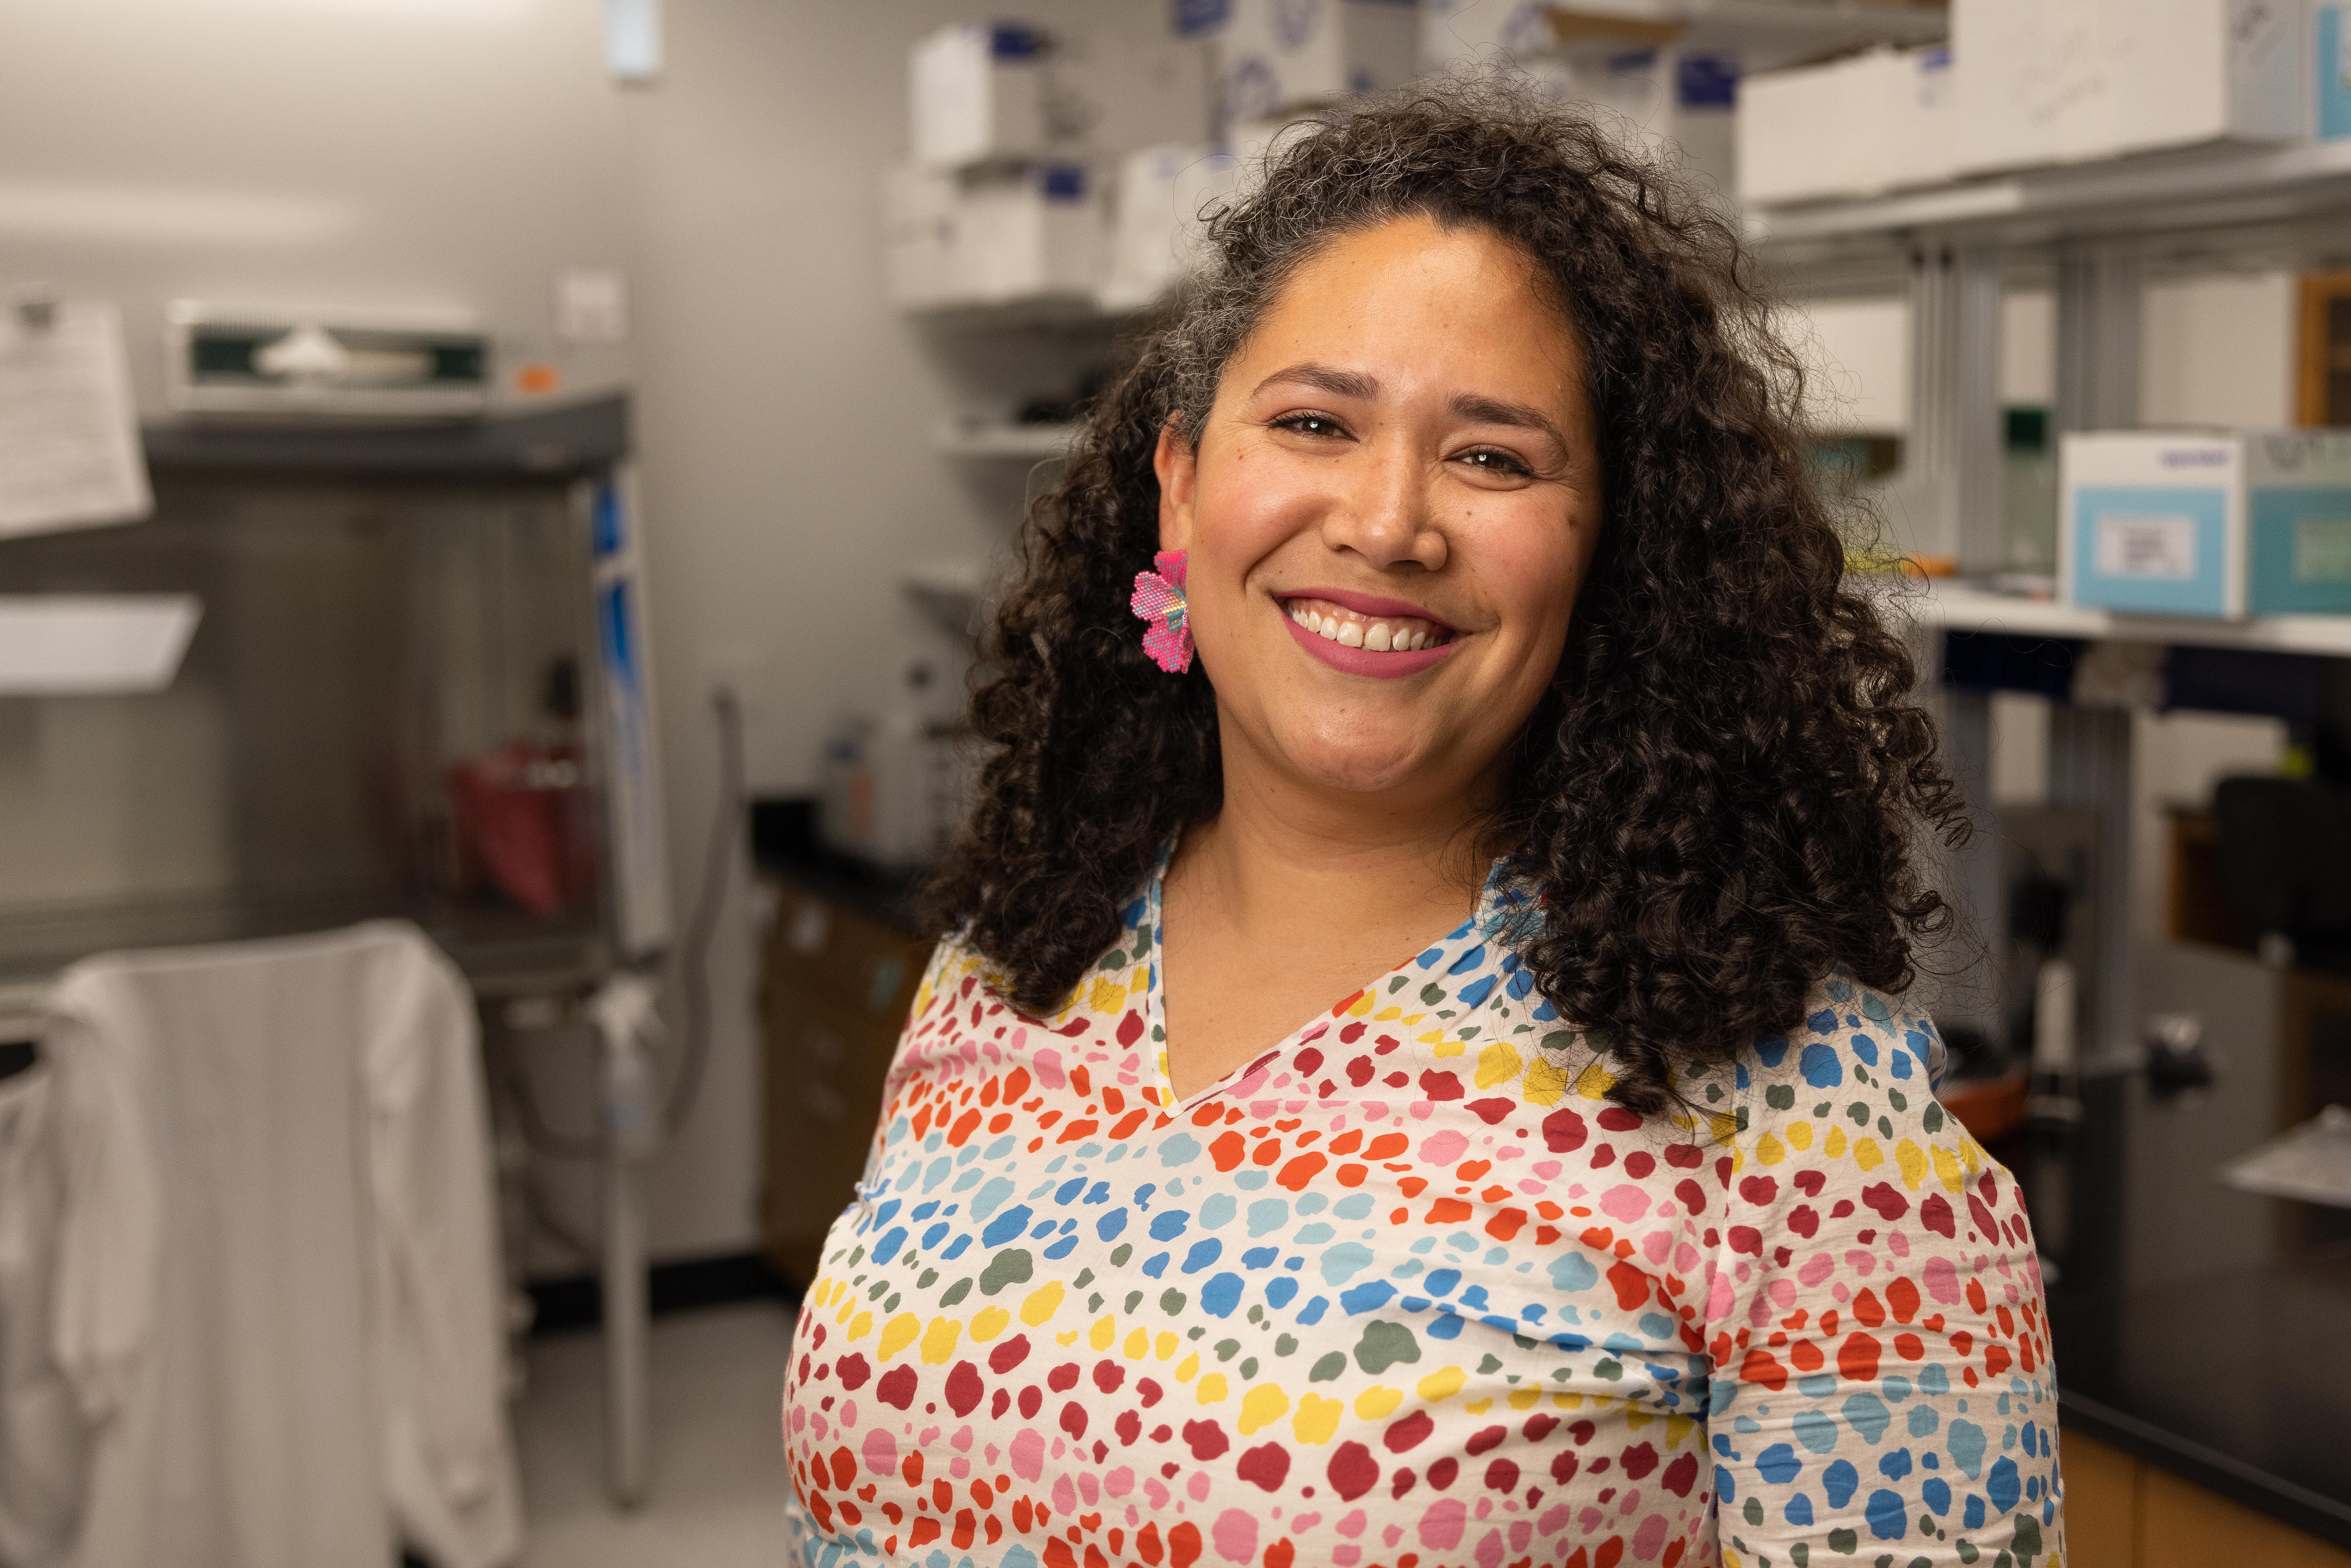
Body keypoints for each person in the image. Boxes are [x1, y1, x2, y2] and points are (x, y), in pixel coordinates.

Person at [784, 82, 2060, 1568]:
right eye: (1316, 420)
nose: (1389, 523)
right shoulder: (1003, 976)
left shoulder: (1797, 1121)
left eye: (1494, 457)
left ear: (1607, 550)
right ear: (1181, 489)